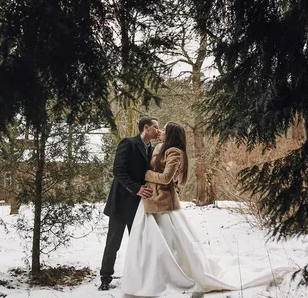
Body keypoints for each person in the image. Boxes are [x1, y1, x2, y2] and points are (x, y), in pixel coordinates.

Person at [121, 122, 292, 297]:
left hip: (162, 202)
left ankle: (166, 277)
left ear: (171, 134)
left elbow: (166, 178)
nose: (161, 132)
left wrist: (145, 175)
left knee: (166, 242)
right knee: (149, 241)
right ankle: (149, 277)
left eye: (164, 130)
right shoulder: (159, 148)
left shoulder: (174, 152)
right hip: (151, 199)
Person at [98, 117, 160, 291]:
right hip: (120, 203)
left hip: (139, 206)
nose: (158, 130)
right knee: (113, 243)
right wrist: (136, 188)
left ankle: (139, 277)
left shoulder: (152, 149)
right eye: (155, 127)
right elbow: (118, 170)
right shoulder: (128, 143)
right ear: (146, 128)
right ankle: (105, 278)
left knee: (140, 242)